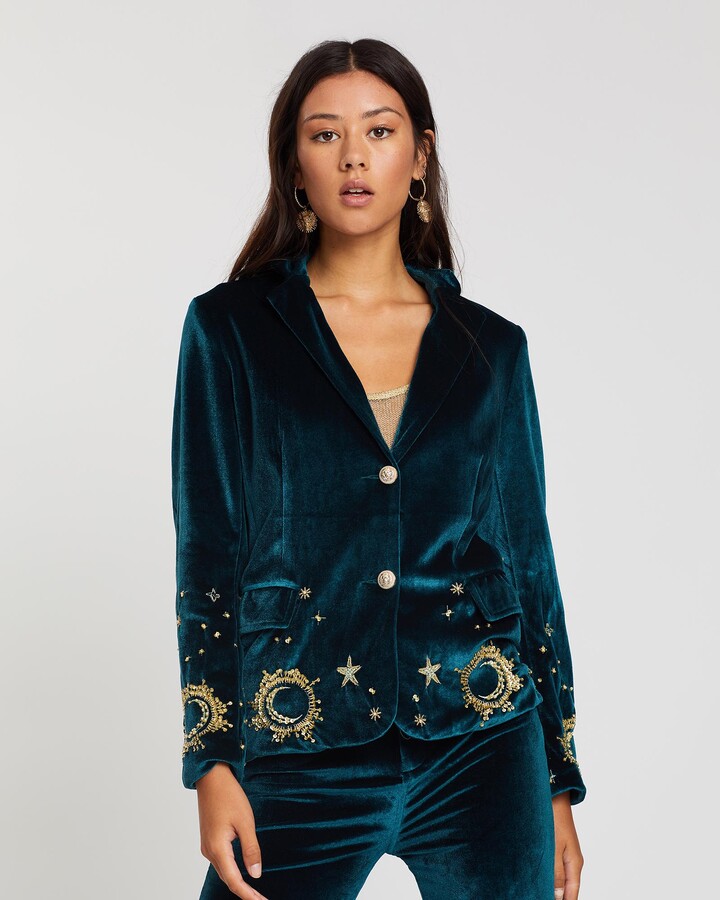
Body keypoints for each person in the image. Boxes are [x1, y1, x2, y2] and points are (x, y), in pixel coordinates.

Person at [172, 38, 587, 900]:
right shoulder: (231, 331)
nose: (354, 156)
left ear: (420, 156)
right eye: (325, 134)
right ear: (295, 164)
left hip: (482, 741)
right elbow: (208, 550)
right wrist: (212, 758)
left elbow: (526, 559)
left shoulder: (492, 349)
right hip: (302, 737)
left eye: (380, 130)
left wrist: (557, 780)